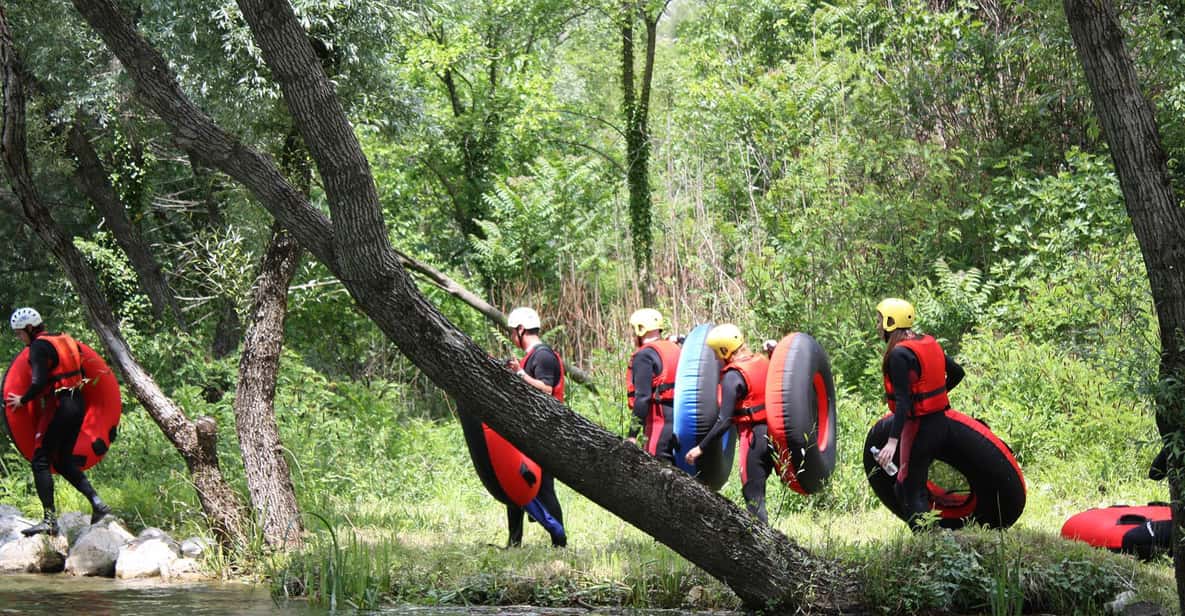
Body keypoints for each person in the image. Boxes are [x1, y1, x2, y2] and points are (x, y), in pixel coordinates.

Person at [4, 308, 112, 536]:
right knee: (63, 461)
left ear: (30, 329)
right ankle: (98, 504)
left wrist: (23, 400)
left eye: (19, 333)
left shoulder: (38, 347)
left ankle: (49, 520)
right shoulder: (64, 339)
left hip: (60, 406)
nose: (19, 338)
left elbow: (38, 380)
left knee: (40, 461)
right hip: (77, 404)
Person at [870, 298, 965, 531]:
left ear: (892, 322)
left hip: (921, 428)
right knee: (910, 487)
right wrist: (933, 398)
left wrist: (892, 443)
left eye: (880, 320)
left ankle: (928, 546)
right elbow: (957, 373)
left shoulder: (899, 356)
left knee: (909, 490)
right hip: (939, 421)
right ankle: (933, 540)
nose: (877, 325)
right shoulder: (927, 343)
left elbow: (903, 402)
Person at [685, 323, 775, 522]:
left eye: (717, 352)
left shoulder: (733, 376)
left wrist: (701, 447)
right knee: (759, 493)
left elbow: (724, 420)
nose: (716, 357)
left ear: (725, 350)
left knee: (753, 497)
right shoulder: (762, 361)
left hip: (752, 440)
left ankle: (763, 546)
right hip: (773, 434)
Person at [504, 306, 565, 547]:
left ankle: (559, 542)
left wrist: (519, 374)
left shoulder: (543, 356)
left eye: (512, 332)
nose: (511, 337)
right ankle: (514, 542)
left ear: (521, 330)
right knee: (513, 483)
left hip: (545, 432)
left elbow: (547, 389)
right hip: (529, 432)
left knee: (544, 488)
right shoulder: (531, 356)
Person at [625, 308, 680, 463]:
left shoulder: (644, 356)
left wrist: (632, 435)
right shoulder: (674, 348)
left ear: (640, 330)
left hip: (659, 425)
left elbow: (642, 398)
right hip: (679, 424)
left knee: (656, 474)